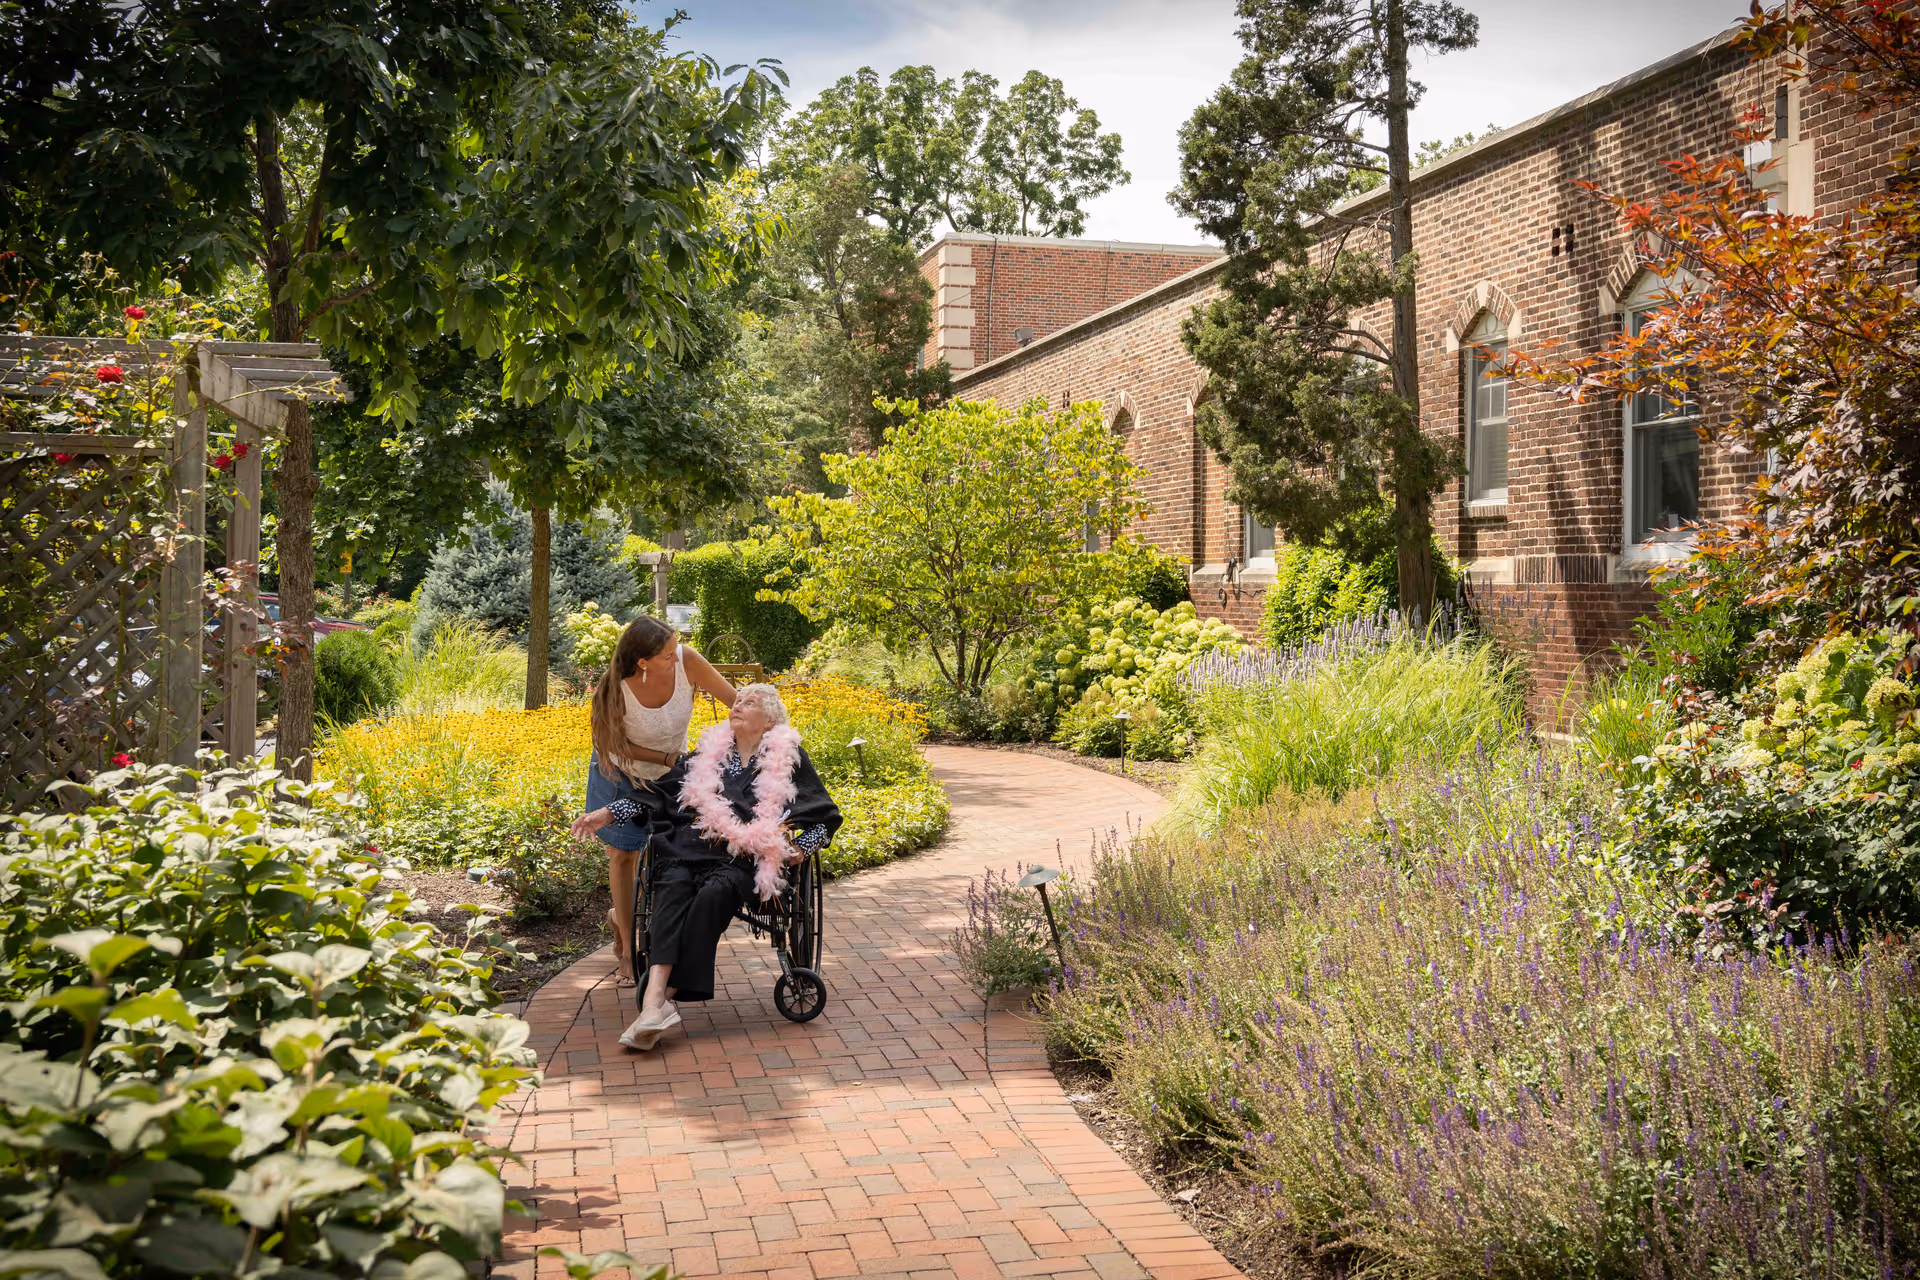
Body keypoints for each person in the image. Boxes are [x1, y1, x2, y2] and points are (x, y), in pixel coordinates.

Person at [571, 683, 841, 1050]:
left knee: (716, 892)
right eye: (738, 700)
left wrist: (801, 847)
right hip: (689, 846)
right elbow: (658, 792)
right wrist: (606, 814)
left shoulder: (788, 758)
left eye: (750, 703)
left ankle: (660, 997)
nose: (738, 705)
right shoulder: (707, 755)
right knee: (672, 882)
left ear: (769, 722)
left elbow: (824, 817)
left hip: (743, 859)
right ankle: (655, 1003)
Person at [583, 615, 739, 988]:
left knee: (671, 849)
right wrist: (666, 759)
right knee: (625, 854)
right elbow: (611, 744)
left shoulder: (687, 660)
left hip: (673, 769)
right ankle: (626, 947)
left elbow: (736, 702)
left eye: (675, 648)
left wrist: (759, 729)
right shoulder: (615, 688)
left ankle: (624, 917)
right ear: (643, 661)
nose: (676, 657)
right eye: (667, 655)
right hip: (620, 770)